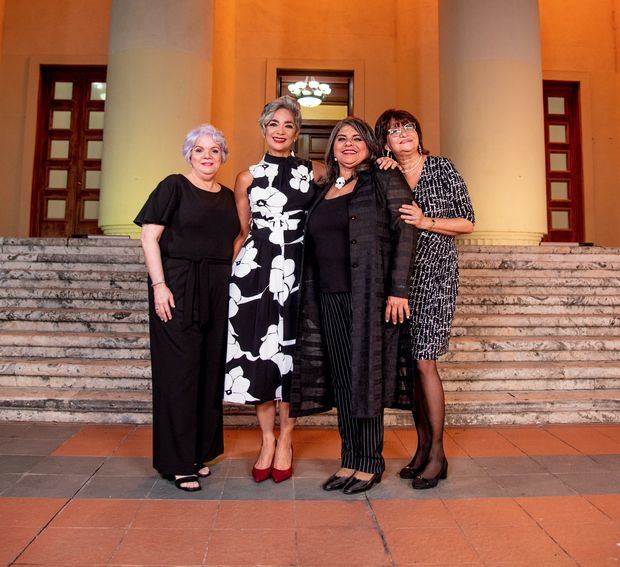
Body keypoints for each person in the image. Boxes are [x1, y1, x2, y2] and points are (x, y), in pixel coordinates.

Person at [290, 117, 417, 494]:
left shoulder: (383, 179)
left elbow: (406, 231)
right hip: (324, 297)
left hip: (368, 296)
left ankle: (370, 462)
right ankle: (349, 459)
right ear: (331, 147)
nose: (348, 144)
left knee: (366, 376)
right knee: (343, 381)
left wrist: (399, 290)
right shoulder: (323, 187)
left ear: (369, 146)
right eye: (341, 139)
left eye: (356, 138)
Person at [224, 96, 326, 483]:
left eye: (287, 125)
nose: (280, 131)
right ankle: (265, 439)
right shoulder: (246, 176)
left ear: (297, 131)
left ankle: (286, 439)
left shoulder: (315, 172)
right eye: (273, 125)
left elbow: (354, 174)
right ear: (263, 129)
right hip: (255, 274)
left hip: (299, 269)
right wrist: (230, 280)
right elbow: (242, 231)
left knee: (292, 357)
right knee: (259, 357)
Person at [135, 124, 240, 492]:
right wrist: (159, 285)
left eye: (214, 150)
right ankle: (177, 463)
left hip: (218, 288)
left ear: (223, 156)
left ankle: (198, 453)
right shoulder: (173, 186)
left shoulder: (229, 197)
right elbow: (149, 236)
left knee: (209, 373)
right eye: (199, 150)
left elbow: (238, 241)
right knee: (178, 375)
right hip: (177, 285)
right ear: (189, 155)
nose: (207, 156)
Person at [375, 109, 475, 489]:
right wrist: (378, 163)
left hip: (436, 278)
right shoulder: (387, 171)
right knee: (411, 369)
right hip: (399, 283)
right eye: (394, 131)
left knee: (424, 362)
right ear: (385, 142)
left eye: (409, 127)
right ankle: (421, 450)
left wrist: (427, 221)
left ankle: (437, 454)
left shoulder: (442, 168)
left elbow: (467, 221)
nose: (403, 134)